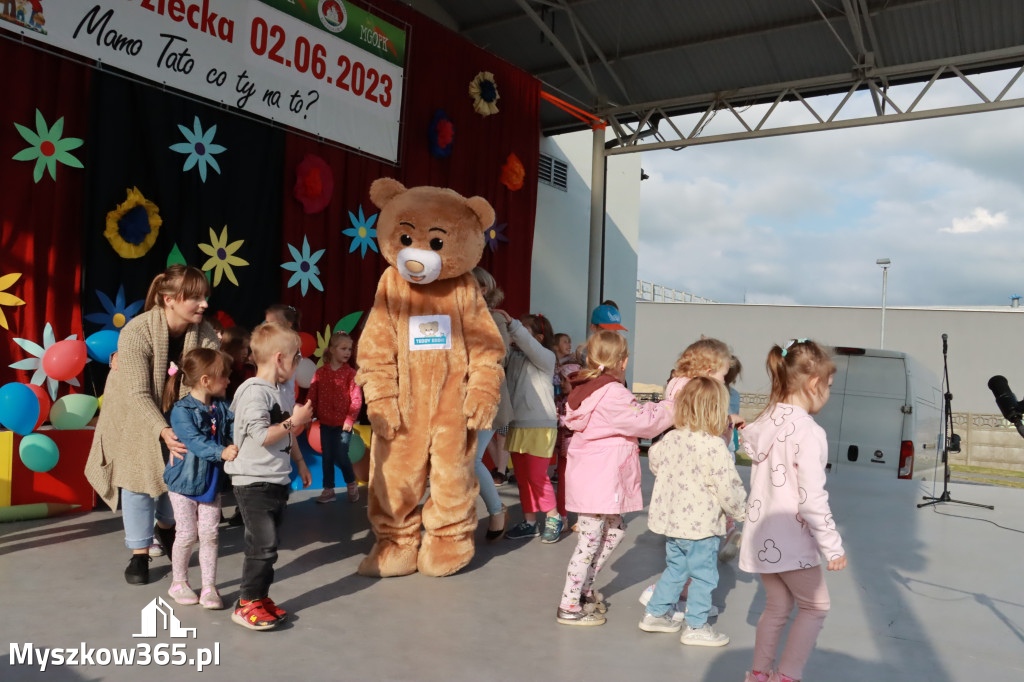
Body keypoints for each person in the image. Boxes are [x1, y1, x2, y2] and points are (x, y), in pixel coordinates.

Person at [85, 265, 220, 586]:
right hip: (134, 411)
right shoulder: (137, 331)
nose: (204, 304)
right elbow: (138, 392)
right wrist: (161, 429)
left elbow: (205, 385)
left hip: (180, 412)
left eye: (205, 297)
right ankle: (140, 553)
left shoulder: (206, 336)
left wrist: (185, 425)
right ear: (169, 299)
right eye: (195, 297)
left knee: (179, 473)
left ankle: (167, 527)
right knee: (139, 479)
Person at [740, 339, 847, 682]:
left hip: (761, 537)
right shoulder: (809, 432)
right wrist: (833, 546)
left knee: (777, 607)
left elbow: (746, 440)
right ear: (814, 383)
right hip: (791, 541)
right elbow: (812, 499)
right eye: (828, 386)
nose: (828, 394)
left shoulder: (764, 421)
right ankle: (787, 676)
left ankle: (759, 674)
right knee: (816, 607)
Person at [555, 330, 675, 626]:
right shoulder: (612, 392)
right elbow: (644, 422)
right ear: (623, 361)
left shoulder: (586, 388)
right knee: (590, 539)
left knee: (615, 528)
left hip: (594, 474)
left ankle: (583, 589)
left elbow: (632, 415)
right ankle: (569, 605)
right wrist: (672, 405)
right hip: (601, 476)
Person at [639, 376, 748, 645]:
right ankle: (697, 625)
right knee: (704, 576)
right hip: (701, 526)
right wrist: (742, 511)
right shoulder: (714, 446)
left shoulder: (671, 439)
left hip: (673, 524)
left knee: (676, 569)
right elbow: (728, 486)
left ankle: (655, 613)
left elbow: (654, 461)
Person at [226, 322, 314, 630]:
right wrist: (295, 421)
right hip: (253, 483)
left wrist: (300, 463)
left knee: (268, 545)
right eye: (295, 358)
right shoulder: (253, 392)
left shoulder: (279, 392)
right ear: (279, 358)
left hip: (275, 480)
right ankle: (246, 602)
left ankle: (259, 597)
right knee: (263, 544)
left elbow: (284, 440)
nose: (298, 364)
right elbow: (264, 435)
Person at [163, 348, 238, 609]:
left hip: (210, 483)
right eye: (224, 376)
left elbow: (236, 426)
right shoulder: (181, 411)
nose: (229, 380)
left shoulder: (221, 407)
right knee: (186, 534)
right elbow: (195, 442)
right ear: (206, 380)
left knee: (210, 534)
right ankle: (178, 582)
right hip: (183, 484)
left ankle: (209, 587)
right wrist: (222, 452)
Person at [501, 313, 562, 542]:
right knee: (523, 477)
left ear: (539, 336)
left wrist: (513, 324)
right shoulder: (514, 356)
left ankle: (553, 517)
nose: (519, 334)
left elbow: (527, 344)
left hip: (540, 426)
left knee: (537, 477)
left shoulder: (546, 357)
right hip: (517, 425)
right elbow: (499, 358)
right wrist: (504, 338)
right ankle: (530, 522)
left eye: (526, 330)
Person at [471, 267, 513, 540]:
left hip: (488, 399)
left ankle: (497, 510)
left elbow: (503, 355)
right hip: (458, 401)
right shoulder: (453, 317)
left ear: (482, 289)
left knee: (470, 460)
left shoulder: (493, 319)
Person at [308, 331, 363, 504]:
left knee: (341, 454)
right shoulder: (320, 373)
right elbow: (312, 394)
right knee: (327, 457)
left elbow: (356, 399)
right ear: (332, 349)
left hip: (343, 425)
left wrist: (349, 420)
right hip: (324, 423)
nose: (347, 352)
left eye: (350, 349)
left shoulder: (351, 374)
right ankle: (328, 490)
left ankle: (351, 483)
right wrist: (309, 415)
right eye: (343, 348)